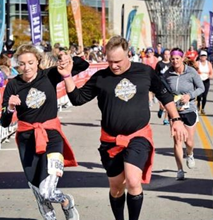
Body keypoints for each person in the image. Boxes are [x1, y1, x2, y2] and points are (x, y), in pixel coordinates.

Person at [58, 36, 187, 220]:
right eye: (110, 61)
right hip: (110, 140)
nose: (113, 66)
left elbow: (164, 95)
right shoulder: (101, 77)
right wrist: (67, 76)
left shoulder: (145, 72)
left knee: (133, 181)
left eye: (117, 61)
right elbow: (78, 99)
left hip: (138, 136)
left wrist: (176, 119)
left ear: (128, 54)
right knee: (116, 186)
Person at [0, 44, 90, 220]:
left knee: (47, 191)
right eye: (22, 64)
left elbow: (82, 65)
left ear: (38, 62)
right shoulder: (13, 85)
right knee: (39, 195)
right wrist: (10, 107)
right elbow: (3, 122)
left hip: (51, 137)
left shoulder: (49, 75)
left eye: (31, 62)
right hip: (27, 141)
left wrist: (67, 59)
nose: (27, 67)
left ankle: (66, 201)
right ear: (17, 65)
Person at [162, 47, 204, 180]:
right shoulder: (167, 74)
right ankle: (179, 170)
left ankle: (190, 154)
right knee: (177, 141)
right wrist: (166, 104)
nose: (174, 61)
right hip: (175, 112)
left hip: (189, 109)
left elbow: (201, 88)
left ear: (182, 58)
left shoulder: (191, 72)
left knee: (189, 142)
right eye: (172, 59)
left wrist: (189, 95)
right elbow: (163, 91)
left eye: (177, 59)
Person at [155, 49, 172, 125]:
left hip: (169, 85)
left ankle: (166, 119)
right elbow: (156, 74)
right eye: (165, 54)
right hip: (161, 85)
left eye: (168, 54)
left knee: (168, 103)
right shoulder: (159, 64)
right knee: (162, 104)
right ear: (163, 55)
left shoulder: (172, 64)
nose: (167, 56)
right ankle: (161, 109)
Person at [196, 50, 213, 115]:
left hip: (206, 80)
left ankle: (203, 108)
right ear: (200, 57)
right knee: (199, 95)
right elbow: (194, 71)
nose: (203, 57)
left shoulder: (208, 63)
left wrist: (210, 76)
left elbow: (211, 72)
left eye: (204, 56)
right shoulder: (197, 63)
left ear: (206, 57)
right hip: (199, 81)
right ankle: (198, 106)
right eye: (202, 56)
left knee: (205, 96)